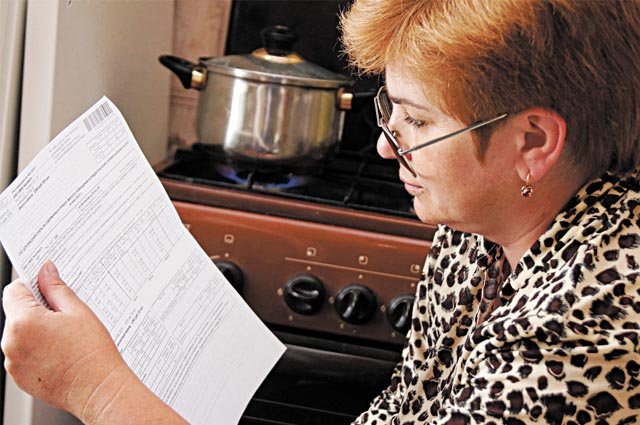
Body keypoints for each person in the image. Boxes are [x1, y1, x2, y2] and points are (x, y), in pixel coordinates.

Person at [3, 0, 640, 423]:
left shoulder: (596, 318)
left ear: (533, 142)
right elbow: (403, 409)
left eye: (417, 121)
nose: (386, 146)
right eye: (391, 110)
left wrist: (97, 388)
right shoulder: (480, 225)